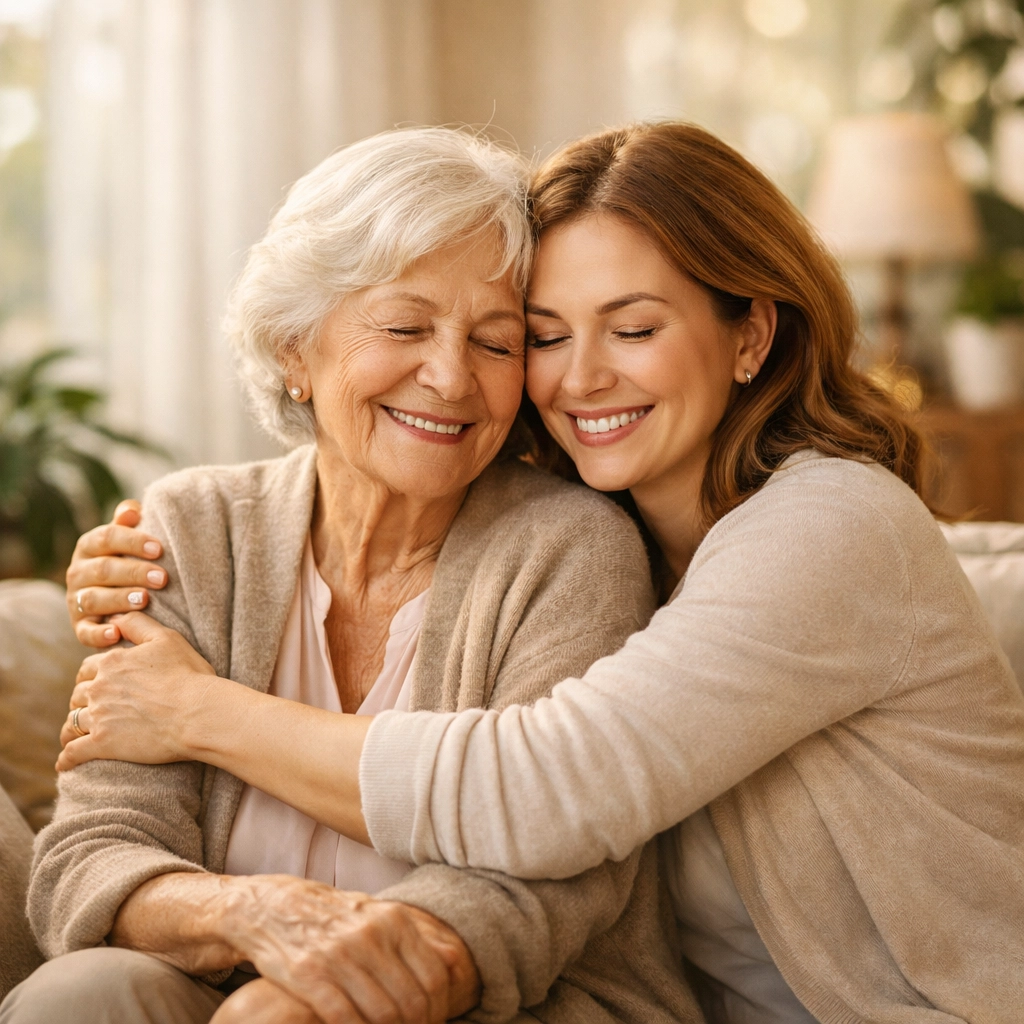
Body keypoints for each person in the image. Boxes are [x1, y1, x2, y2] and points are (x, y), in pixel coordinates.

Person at [55, 122, 1024, 1022]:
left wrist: (195, 708)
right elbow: (93, 838)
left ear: (750, 336)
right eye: (547, 336)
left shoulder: (828, 527)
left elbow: (542, 790)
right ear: (293, 346)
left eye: (632, 328)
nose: (576, 377)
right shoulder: (629, 536)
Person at [1, 127, 703, 1024]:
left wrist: (331, 988)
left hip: (509, 1000)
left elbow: (548, 878)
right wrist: (253, 916)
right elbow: (94, 849)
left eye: (497, 343)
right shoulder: (192, 529)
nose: (451, 378)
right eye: (405, 326)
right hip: (218, 981)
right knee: (84, 991)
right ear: (296, 349)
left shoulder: (571, 549)